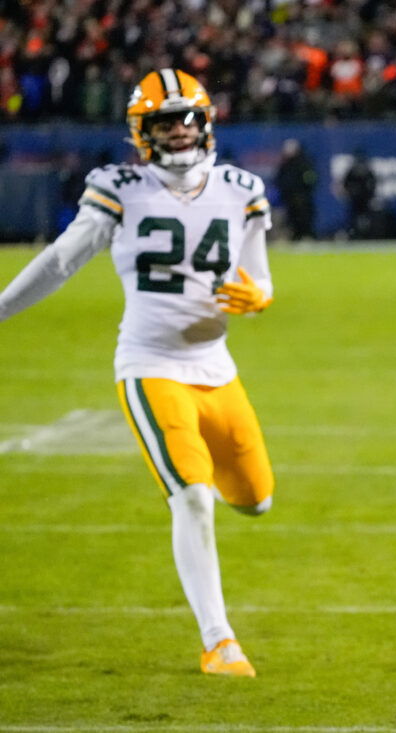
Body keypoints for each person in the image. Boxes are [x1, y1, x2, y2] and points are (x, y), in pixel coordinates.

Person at [0, 69, 275, 675]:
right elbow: (61, 260)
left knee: (257, 502)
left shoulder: (241, 188)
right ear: (141, 133)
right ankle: (218, 641)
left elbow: (260, 278)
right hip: (150, 365)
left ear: (205, 122)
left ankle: (219, 613)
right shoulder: (119, 187)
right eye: (162, 122)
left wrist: (258, 297)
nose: (177, 131)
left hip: (217, 367)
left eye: (185, 119)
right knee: (193, 498)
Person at [275, 138, 317, 241]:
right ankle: (295, 236)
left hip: (302, 197)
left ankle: (306, 235)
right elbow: (279, 179)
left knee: (303, 217)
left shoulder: (304, 163)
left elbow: (310, 178)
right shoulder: (285, 165)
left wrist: (304, 190)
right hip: (289, 197)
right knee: (292, 218)